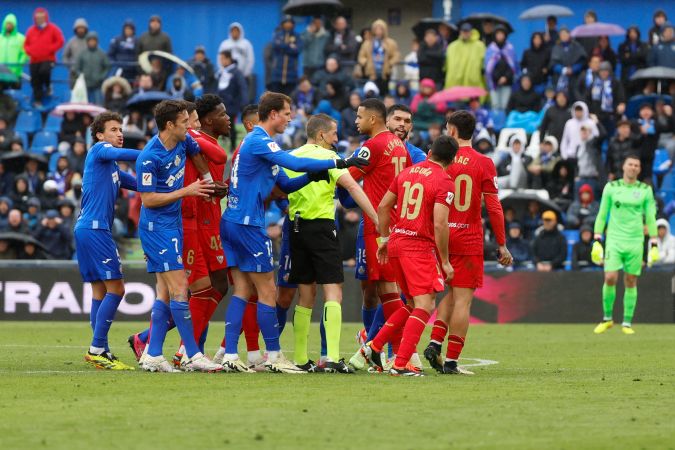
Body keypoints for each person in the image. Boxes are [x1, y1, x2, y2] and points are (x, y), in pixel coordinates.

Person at [220, 92, 368, 373]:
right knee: (267, 291)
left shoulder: (257, 143)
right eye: (287, 114)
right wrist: (339, 162)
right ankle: (274, 356)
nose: (291, 119)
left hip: (232, 220)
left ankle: (229, 353)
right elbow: (297, 164)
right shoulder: (262, 140)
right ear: (273, 114)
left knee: (241, 289)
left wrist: (313, 176)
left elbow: (288, 184)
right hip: (249, 223)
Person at [135, 100, 222, 373]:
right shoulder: (149, 157)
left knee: (164, 292)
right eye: (185, 121)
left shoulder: (183, 142)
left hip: (173, 225)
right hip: (156, 228)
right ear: (170, 125)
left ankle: (153, 353)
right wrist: (187, 191)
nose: (191, 125)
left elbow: (198, 154)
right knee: (180, 288)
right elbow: (148, 199)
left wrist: (206, 180)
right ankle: (193, 354)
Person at [287, 114, 377, 373]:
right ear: (321, 135)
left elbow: (281, 190)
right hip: (322, 228)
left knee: (305, 295)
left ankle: (301, 359)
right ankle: (333, 359)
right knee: (333, 292)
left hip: (296, 227)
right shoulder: (328, 159)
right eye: (334, 133)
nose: (337, 138)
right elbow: (354, 188)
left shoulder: (291, 157)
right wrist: (375, 218)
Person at [423, 111, 512, 375]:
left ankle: (435, 342)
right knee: (462, 300)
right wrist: (502, 243)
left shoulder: (439, 158)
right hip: (468, 237)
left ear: (451, 130)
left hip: (441, 235)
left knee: (448, 294)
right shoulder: (484, 163)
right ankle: (451, 362)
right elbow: (494, 207)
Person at [366, 136, 458, 376]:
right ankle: (400, 363)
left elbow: (384, 206)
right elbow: (440, 224)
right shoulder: (445, 181)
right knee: (425, 304)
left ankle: (374, 346)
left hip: (396, 242)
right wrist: (446, 262)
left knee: (410, 303)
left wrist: (384, 240)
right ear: (452, 160)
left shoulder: (407, 172)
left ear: (429, 152)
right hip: (417, 247)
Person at [343, 99, 411, 369]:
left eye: (359, 117)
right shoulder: (400, 147)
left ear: (372, 119)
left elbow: (345, 177)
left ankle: (387, 350)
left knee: (389, 293)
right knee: (387, 292)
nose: (356, 121)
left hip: (377, 226)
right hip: (395, 222)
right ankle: (386, 351)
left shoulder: (372, 146)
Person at [74, 112, 139, 370]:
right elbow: (123, 155)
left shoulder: (110, 168)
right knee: (118, 289)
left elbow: (141, 185)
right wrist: (154, 153)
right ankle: (97, 348)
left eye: (120, 129)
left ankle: (102, 350)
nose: (119, 133)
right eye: (113, 129)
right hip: (95, 230)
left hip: (87, 229)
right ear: (100, 135)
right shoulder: (100, 150)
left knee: (100, 291)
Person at [592, 155, 658, 334]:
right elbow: (602, 214)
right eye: (630, 164)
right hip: (614, 239)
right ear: (624, 166)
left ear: (639, 169)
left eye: (637, 165)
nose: (633, 167)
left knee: (631, 280)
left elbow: (650, 217)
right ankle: (607, 319)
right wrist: (597, 240)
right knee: (610, 277)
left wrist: (653, 244)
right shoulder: (612, 187)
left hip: (636, 241)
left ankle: (627, 323)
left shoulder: (645, 190)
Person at [23, 7, 64, 107]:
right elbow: (25, 45)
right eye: (37, 18)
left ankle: (48, 86)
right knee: (35, 80)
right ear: (35, 19)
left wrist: (50, 49)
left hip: (48, 59)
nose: (40, 20)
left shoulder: (53, 29)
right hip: (34, 60)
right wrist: (30, 51)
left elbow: (60, 41)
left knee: (44, 71)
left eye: (42, 18)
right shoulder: (30, 30)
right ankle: (38, 100)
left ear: (46, 18)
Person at [357, 19, 400, 95]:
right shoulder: (367, 43)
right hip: (371, 73)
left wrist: (389, 63)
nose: (378, 31)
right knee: (371, 94)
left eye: (381, 29)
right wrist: (366, 63)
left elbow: (396, 55)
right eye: (376, 29)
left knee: (385, 93)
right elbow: (361, 56)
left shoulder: (390, 43)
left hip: (385, 73)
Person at [216, 50, 247, 150]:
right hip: (222, 104)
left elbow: (243, 88)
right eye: (220, 59)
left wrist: (243, 103)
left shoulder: (237, 72)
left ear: (228, 59)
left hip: (232, 105)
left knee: (231, 125)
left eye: (223, 59)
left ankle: (233, 147)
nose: (221, 61)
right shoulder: (221, 72)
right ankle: (224, 145)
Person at [484, 25, 518, 111]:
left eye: (502, 34)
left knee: (504, 105)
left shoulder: (510, 49)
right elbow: (488, 67)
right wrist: (497, 77)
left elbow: (513, 66)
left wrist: (505, 77)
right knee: (495, 105)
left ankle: (503, 124)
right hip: (494, 82)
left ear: (505, 35)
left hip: (507, 82)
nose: (500, 36)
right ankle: (495, 123)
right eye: (498, 34)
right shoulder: (491, 49)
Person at [444, 23, 486, 91]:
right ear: (460, 32)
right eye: (463, 31)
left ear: (471, 32)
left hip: (473, 83)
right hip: (456, 83)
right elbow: (446, 65)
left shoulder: (479, 46)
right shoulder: (452, 46)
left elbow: (484, 64)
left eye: (467, 31)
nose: (465, 33)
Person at [549, 27, 586, 100]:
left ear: (569, 34)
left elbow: (582, 60)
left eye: (565, 34)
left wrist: (573, 69)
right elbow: (553, 63)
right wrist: (563, 70)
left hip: (575, 77)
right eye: (562, 34)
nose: (564, 36)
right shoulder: (556, 47)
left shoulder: (577, 46)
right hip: (560, 78)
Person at [74, 32, 110, 105]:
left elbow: (107, 67)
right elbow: (77, 67)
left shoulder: (101, 54)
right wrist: (81, 77)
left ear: (97, 42)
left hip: (98, 85)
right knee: (84, 105)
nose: (92, 42)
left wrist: (101, 77)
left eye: (94, 41)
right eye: (90, 41)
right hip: (85, 86)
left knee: (99, 105)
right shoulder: (82, 54)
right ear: (87, 42)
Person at [269, 16, 300, 96]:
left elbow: (297, 50)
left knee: (289, 100)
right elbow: (275, 46)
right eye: (286, 22)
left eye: (290, 22)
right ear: (282, 24)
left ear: (293, 24)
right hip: (277, 75)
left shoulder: (296, 36)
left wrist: (283, 46)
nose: (288, 24)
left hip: (291, 76)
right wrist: (289, 46)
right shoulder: (277, 35)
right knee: (276, 99)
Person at [0, 13, 27, 86]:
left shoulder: (21, 38)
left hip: (14, 71)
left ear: (14, 25)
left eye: (11, 24)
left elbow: (25, 53)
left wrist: (19, 64)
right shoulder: (0, 38)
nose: (8, 26)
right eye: (7, 23)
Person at [63, 18, 88, 86]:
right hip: (74, 73)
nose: (80, 30)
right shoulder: (71, 42)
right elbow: (65, 56)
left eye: (82, 28)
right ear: (75, 29)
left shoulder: (90, 41)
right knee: (74, 92)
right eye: (78, 28)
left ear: (85, 29)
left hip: (88, 73)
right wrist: (71, 67)